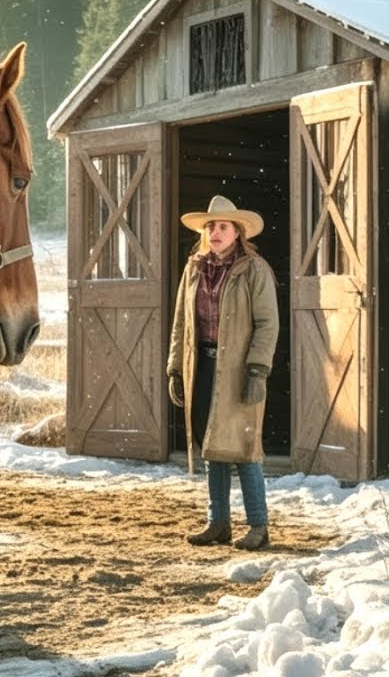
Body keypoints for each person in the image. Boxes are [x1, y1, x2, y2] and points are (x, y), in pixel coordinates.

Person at [167, 195, 279, 551]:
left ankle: (259, 526)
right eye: (211, 226)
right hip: (201, 364)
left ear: (237, 232)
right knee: (211, 445)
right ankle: (219, 523)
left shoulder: (254, 269)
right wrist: (175, 368)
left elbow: (267, 324)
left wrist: (258, 370)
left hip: (238, 368)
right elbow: (181, 323)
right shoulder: (194, 269)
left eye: (223, 226)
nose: (215, 232)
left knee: (245, 447)